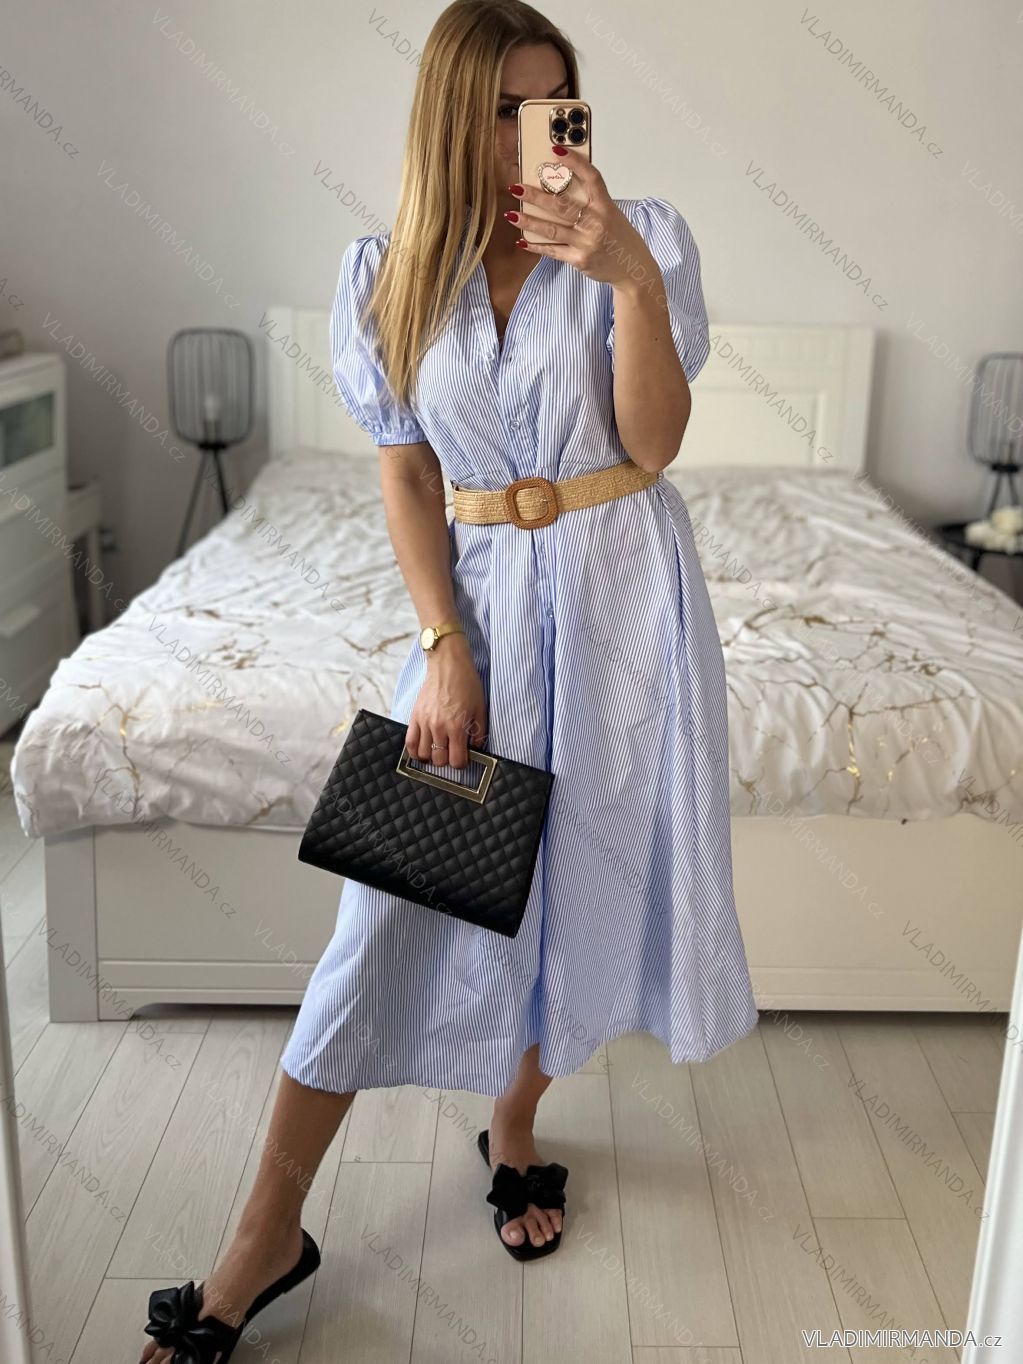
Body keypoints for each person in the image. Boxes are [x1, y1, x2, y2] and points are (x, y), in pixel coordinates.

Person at [138, 1, 758, 1358]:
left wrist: (630, 280)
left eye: (553, 104)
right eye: (503, 109)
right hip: (479, 608)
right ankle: (264, 1235)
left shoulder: (643, 238)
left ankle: (515, 1126)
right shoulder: (387, 271)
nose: (535, 135)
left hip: (626, 604)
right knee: (380, 928)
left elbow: (653, 446)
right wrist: (443, 645)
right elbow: (410, 473)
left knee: (575, 890)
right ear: (448, 117)